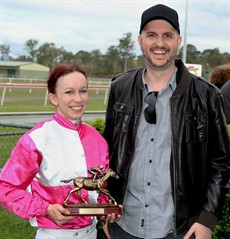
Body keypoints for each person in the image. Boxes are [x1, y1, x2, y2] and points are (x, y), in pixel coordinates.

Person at [104, 4, 230, 239]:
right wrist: (106, 204)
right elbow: (108, 152)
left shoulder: (207, 95)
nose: (159, 43)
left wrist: (208, 219)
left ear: (178, 41)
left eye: (167, 35)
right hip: (124, 225)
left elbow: (221, 162)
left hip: (181, 230)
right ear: (140, 40)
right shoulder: (119, 87)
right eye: (151, 35)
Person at [0, 64, 120, 239]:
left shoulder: (97, 139)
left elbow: (99, 190)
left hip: (91, 233)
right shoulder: (37, 139)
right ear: (53, 98)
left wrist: (106, 211)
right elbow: (5, 187)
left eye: (83, 91)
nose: (78, 99)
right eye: (69, 92)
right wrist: (46, 209)